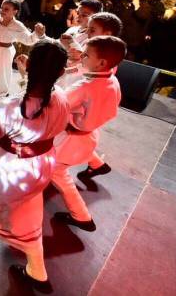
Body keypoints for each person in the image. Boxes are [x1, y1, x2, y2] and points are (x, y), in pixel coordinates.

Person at [0, 40, 69, 292]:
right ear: (62, 72)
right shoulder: (62, 99)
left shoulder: (9, 106)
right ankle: (32, 265)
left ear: (28, 65)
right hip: (40, 164)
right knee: (27, 208)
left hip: (8, 165)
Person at [51, 36, 126, 232]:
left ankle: (82, 217)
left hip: (71, 139)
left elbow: (57, 104)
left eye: (86, 55)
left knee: (59, 174)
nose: (81, 56)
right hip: (90, 134)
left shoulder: (84, 87)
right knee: (72, 157)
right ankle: (98, 165)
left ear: (101, 62)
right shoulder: (112, 80)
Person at [0, 0, 46, 108]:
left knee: (1, 75)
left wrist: (37, 33)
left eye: (6, 9)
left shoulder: (17, 26)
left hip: (5, 52)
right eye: (2, 8)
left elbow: (29, 40)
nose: (2, 11)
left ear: (15, 11)